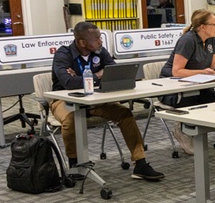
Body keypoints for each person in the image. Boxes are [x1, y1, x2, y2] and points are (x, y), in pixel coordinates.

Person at [50, 21, 164, 181]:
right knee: (70, 120)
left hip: (96, 98)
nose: (100, 41)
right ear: (82, 42)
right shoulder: (63, 54)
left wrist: (82, 78)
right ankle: (75, 163)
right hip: (63, 99)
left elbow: (114, 73)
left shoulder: (100, 51)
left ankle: (141, 163)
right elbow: (68, 83)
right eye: (96, 38)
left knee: (125, 113)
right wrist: (97, 76)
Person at [158, 9, 215, 154]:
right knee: (196, 104)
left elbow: (213, 64)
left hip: (198, 85)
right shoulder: (188, 40)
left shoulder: (211, 39)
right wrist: (202, 71)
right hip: (175, 88)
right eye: (214, 24)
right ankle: (183, 130)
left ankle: (194, 131)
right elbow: (177, 71)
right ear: (202, 27)